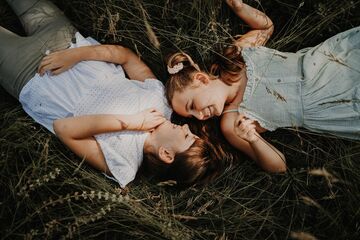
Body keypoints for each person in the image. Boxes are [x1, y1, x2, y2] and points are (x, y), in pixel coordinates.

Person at [0, 0, 222, 187]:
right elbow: (126, 57)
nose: (184, 126)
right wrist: (76, 55)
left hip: (30, 76)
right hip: (66, 40)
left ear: (166, 154)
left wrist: (132, 122)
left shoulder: (123, 164)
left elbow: (63, 128)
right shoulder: (161, 102)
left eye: (185, 136)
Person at [165, 0, 360, 173]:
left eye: (192, 106)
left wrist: (239, 7)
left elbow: (266, 27)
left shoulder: (235, 55)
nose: (200, 117)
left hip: (326, 62)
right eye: (192, 117)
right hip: (328, 105)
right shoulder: (231, 123)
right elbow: (279, 166)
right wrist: (253, 139)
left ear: (201, 79)